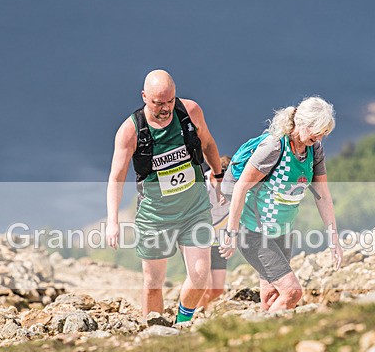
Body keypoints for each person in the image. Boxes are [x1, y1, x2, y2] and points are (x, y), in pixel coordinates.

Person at [106, 70, 225, 323]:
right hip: (155, 216)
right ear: (144, 97)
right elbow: (116, 178)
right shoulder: (130, 131)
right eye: (158, 103)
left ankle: (182, 323)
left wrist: (218, 174)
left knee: (201, 274)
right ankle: (154, 330)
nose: (165, 108)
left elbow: (208, 144)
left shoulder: (190, 111)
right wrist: (113, 220)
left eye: (170, 101)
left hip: (194, 209)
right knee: (152, 282)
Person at [220, 96, 342, 312]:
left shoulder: (314, 150)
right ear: (301, 123)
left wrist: (333, 238)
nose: (321, 137)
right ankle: (260, 337)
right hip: (254, 231)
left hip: (282, 229)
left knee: (272, 295)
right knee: (292, 292)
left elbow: (322, 195)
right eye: (318, 131)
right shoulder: (274, 147)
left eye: (324, 133)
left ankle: (264, 337)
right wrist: (231, 233)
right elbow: (241, 187)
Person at [197, 155, 232, 309]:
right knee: (202, 286)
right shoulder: (201, 185)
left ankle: (194, 304)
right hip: (199, 239)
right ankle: (196, 316)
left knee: (217, 290)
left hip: (220, 239)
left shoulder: (233, 187)